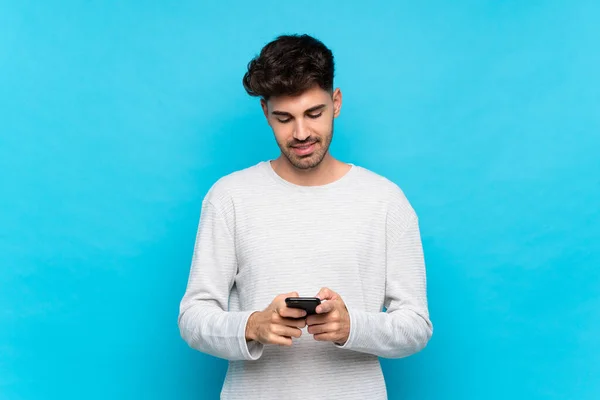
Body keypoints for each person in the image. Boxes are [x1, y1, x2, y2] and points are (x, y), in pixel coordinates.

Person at [177, 33, 433, 400]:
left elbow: (416, 326)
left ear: (336, 102)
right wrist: (253, 324)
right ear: (265, 112)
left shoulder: (385, 201)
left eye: (314, 114)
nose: (301, 133)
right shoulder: (229, 197)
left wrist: (351, 326)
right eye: (284, 118)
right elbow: (193, 317)